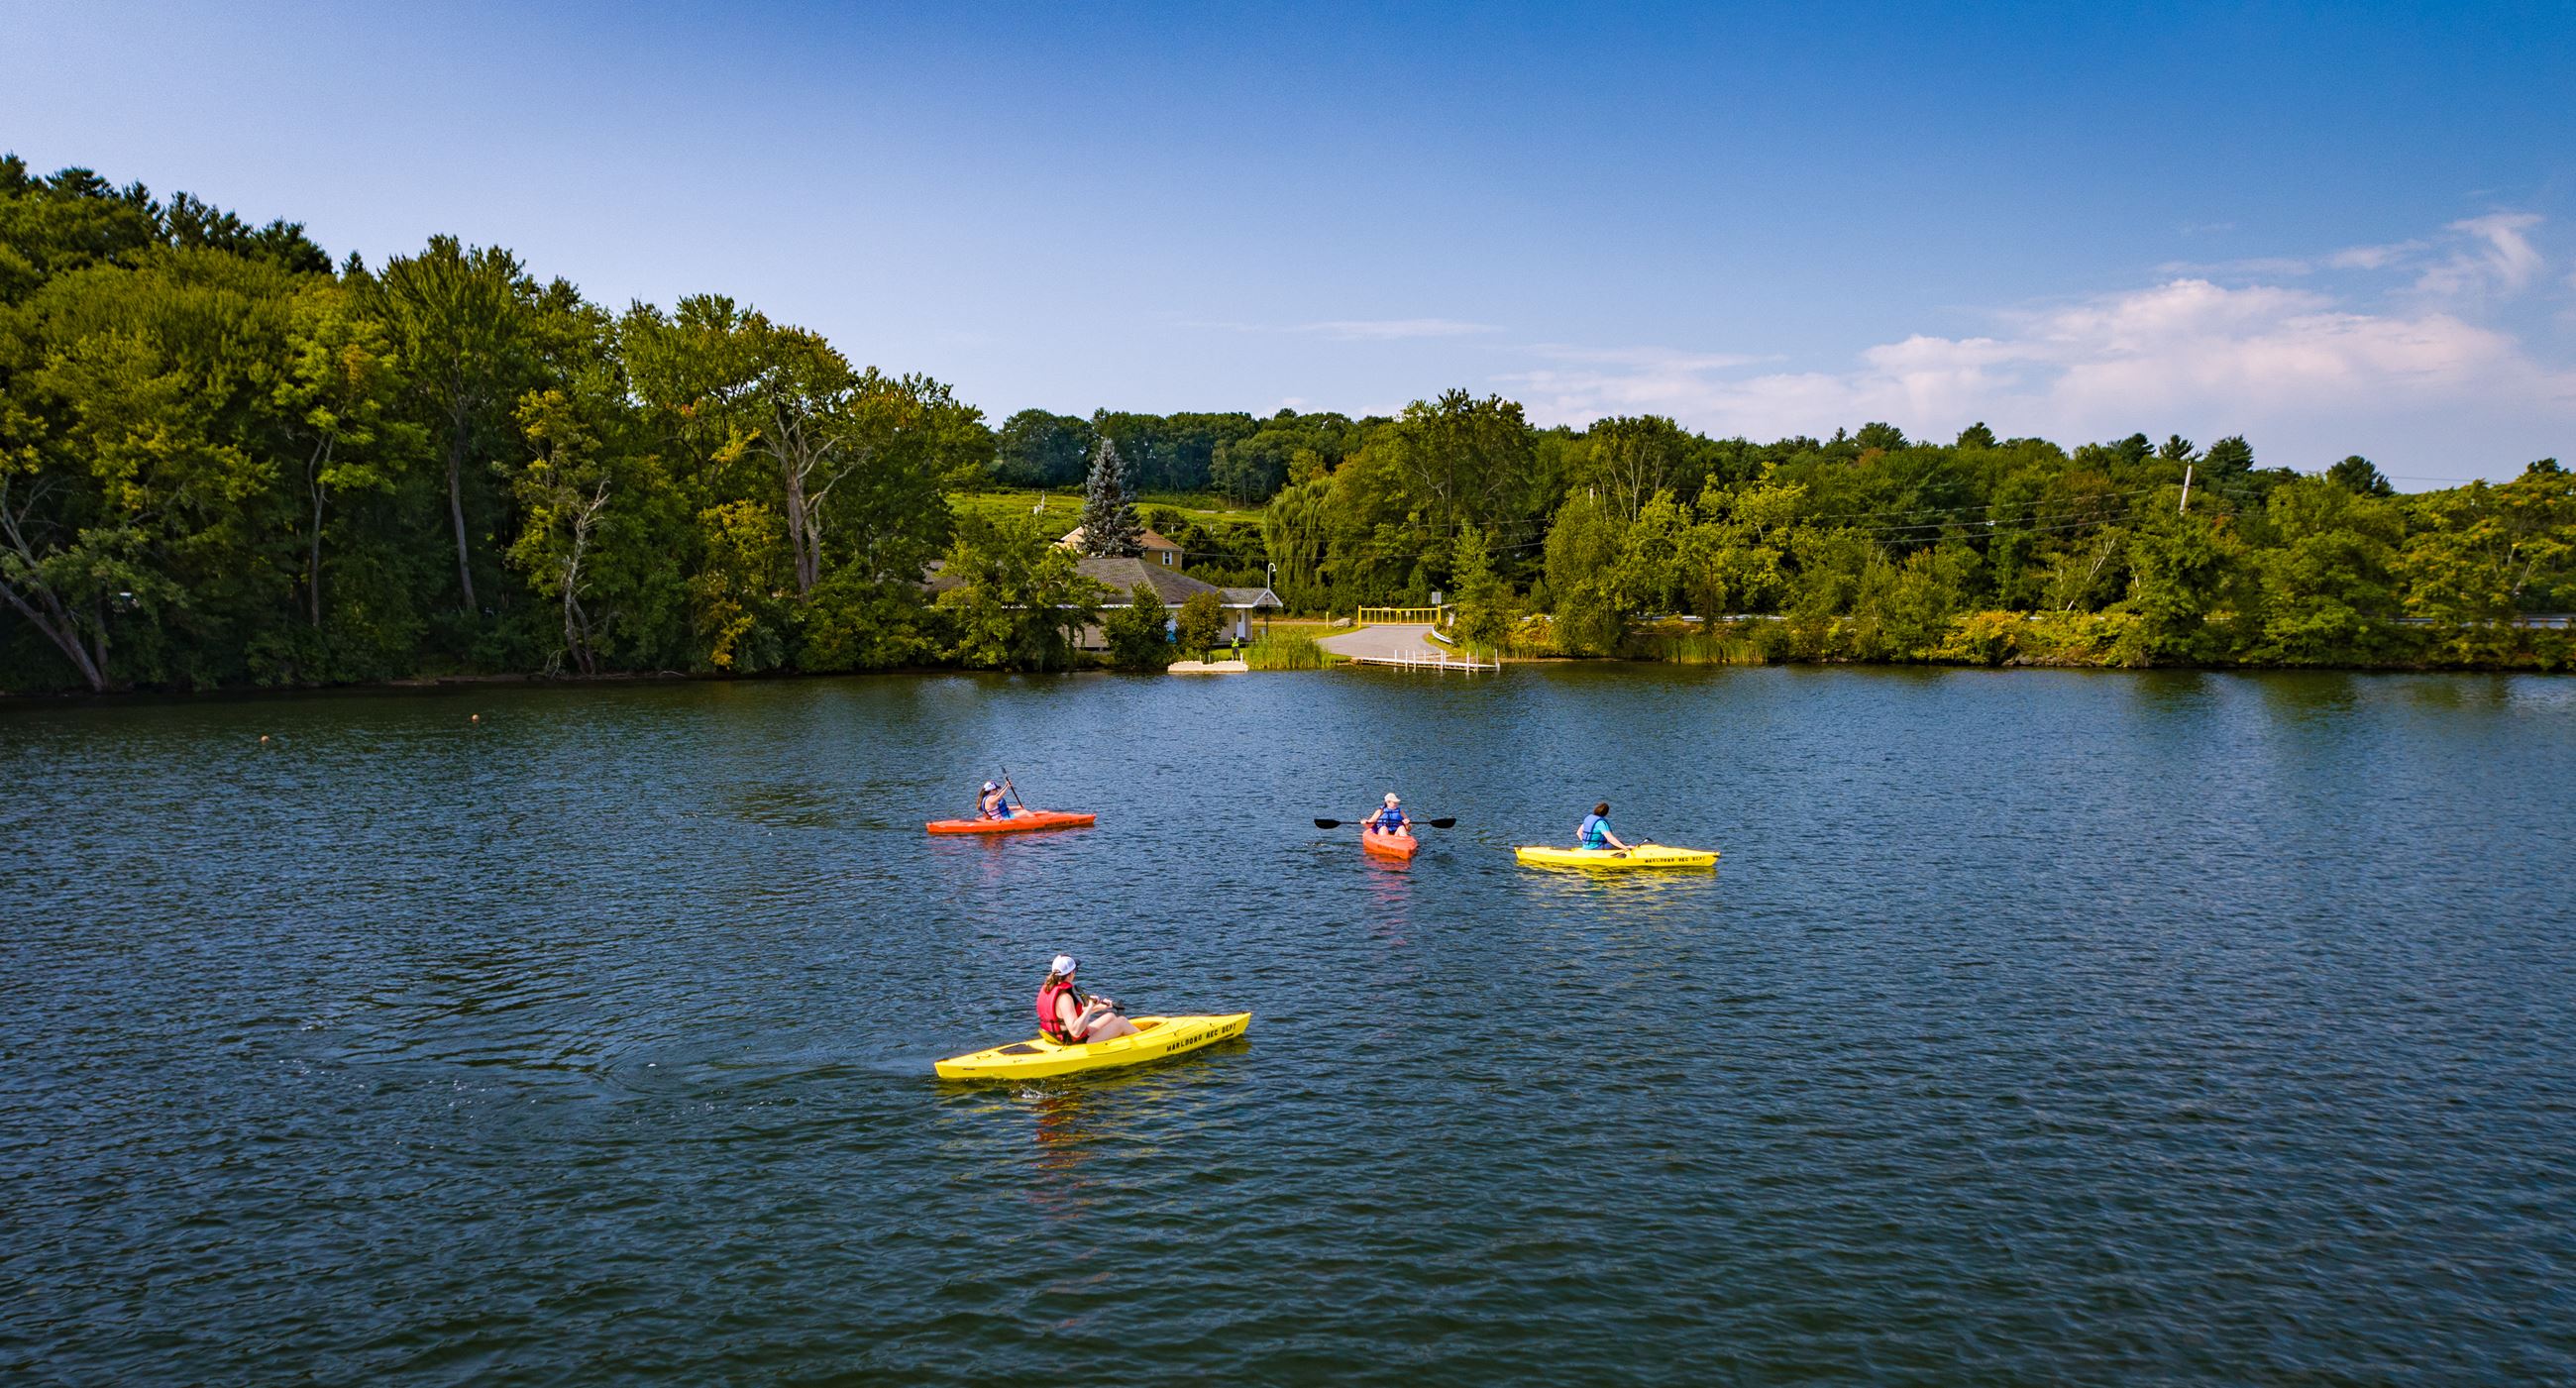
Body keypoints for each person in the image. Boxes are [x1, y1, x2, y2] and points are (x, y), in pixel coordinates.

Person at [1036, 955, 1137, 1043]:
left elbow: (1070, 1015)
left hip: (1060, 1037)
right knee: (1122, 1021)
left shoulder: (1050, 987)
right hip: (1075, 1042)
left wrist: (1098, 1007)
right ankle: (1145, 1043)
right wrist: (1089, 1007)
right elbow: (1075, 1032)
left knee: (1110, 1016)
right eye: (1075, 970)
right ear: (1071, 973)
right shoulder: (1064, 997)